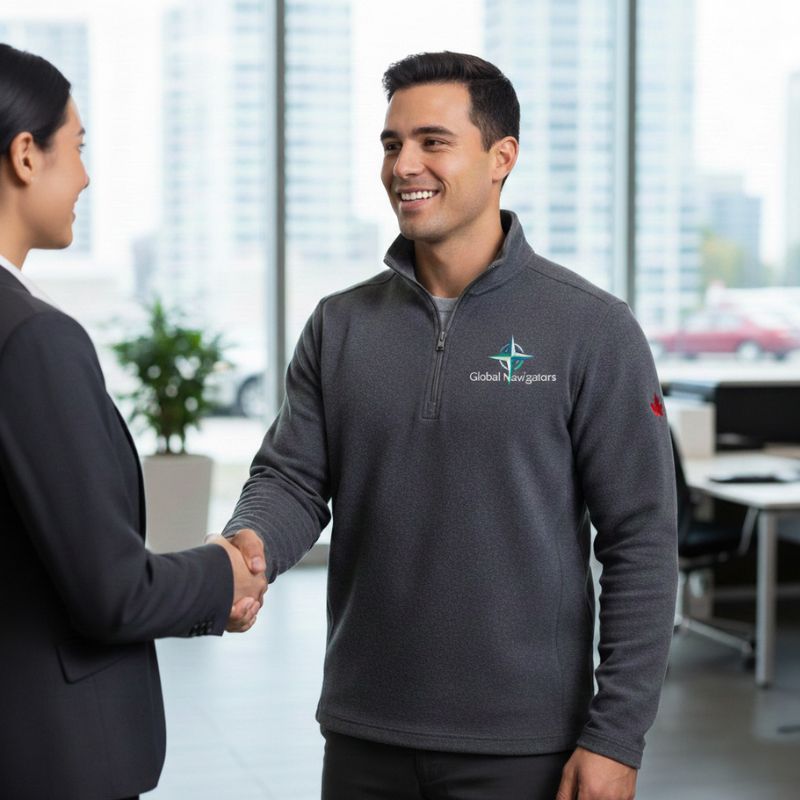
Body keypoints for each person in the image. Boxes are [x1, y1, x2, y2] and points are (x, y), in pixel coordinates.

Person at [226, 52, 678, 800]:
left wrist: (616, 735)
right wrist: (252, 544)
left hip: (525, 744)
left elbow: (641, 538)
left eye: (433, 142)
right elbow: (294, 479)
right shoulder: (339, 325)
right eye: (391, 143)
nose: (405, 165)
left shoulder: (591, 327)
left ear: (502, 158)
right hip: (364, 729)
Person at [0, 43, 266, 800]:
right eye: (75, 148)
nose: (84, 175)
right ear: (26, 154)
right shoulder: (30, 339)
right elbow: (111, 592)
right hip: (46, 760)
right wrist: (223, 572)